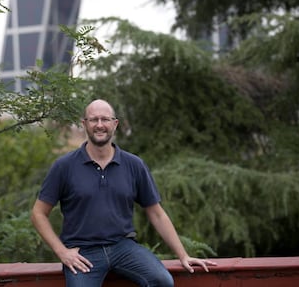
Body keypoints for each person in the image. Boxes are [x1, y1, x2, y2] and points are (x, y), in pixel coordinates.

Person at [31, 99, 216, 287]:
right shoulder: (64, 166)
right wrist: (62, 252)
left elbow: (156, 213)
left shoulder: (134, 164)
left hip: (124, 247)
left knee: (162, 281)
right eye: (94, 119)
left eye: (105, 119)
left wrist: (183, 255)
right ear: (84, 123)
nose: (100, 125)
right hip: (83, 253)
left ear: (115, 124)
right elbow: (38, 214)